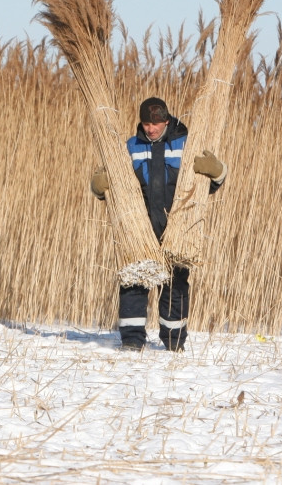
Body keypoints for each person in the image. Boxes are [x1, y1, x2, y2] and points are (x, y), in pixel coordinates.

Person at [90, 97, 227, 352]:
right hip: (140, 229)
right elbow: (111, 186)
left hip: (177, 228)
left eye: (156, 124)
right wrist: (99, 189)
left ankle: (174, 344)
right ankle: (132, 341)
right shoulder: (129, 147)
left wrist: (217, 171)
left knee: (175, 287)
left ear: (166, 121)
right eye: (146, 124)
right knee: (133, 283)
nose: (150, 129)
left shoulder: (186, 143)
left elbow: (211, 183)